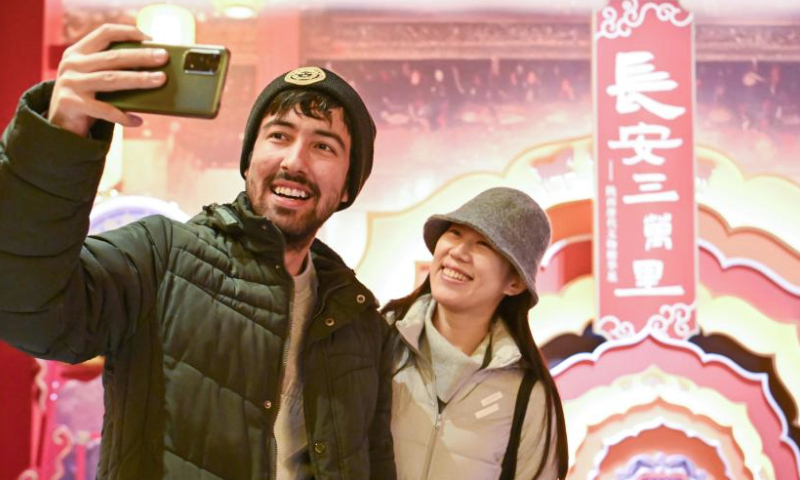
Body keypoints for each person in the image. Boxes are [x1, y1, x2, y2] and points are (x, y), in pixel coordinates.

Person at [0, 24, 395, 480]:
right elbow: (30, 310)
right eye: (279, 136)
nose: (294, 161)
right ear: (248, 160)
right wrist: (55, 139)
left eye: (323, 146)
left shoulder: (359, 321)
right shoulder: (159, 256)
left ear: (348, 186)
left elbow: (375, 462)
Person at [383, 187, 568, 480]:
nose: (458, 252)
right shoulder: (379, 340)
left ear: (514, 283)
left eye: (483, 244)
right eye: (455, 233)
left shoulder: (527, 394)